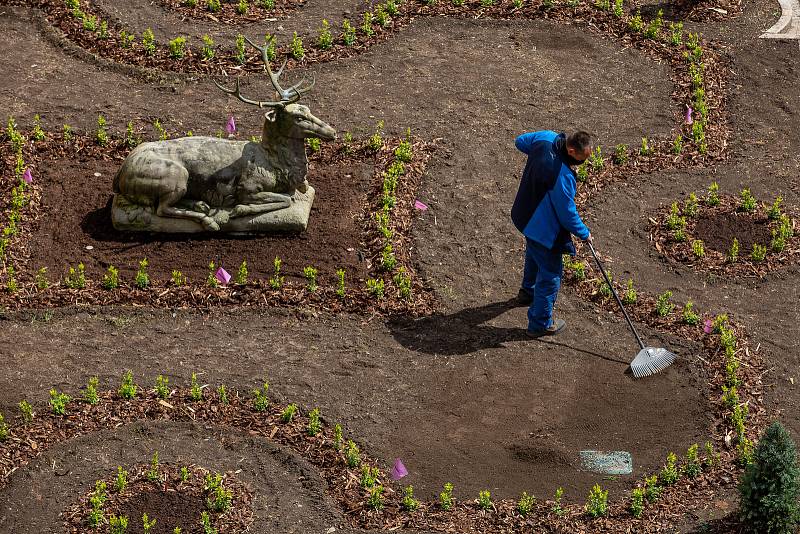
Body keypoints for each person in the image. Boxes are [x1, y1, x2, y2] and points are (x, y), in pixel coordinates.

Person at [511, 130, 593, 338]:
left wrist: (538, 158)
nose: (582, 164)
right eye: (581, 159)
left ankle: (527, 292)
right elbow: (567, 214)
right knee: (550, 275)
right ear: (572, 150)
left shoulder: (546, 138)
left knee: (534, 252)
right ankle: (540, 323)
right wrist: (584, 233)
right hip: (541, 225)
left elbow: (520, 142)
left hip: (523, 213)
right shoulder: (563, 176)